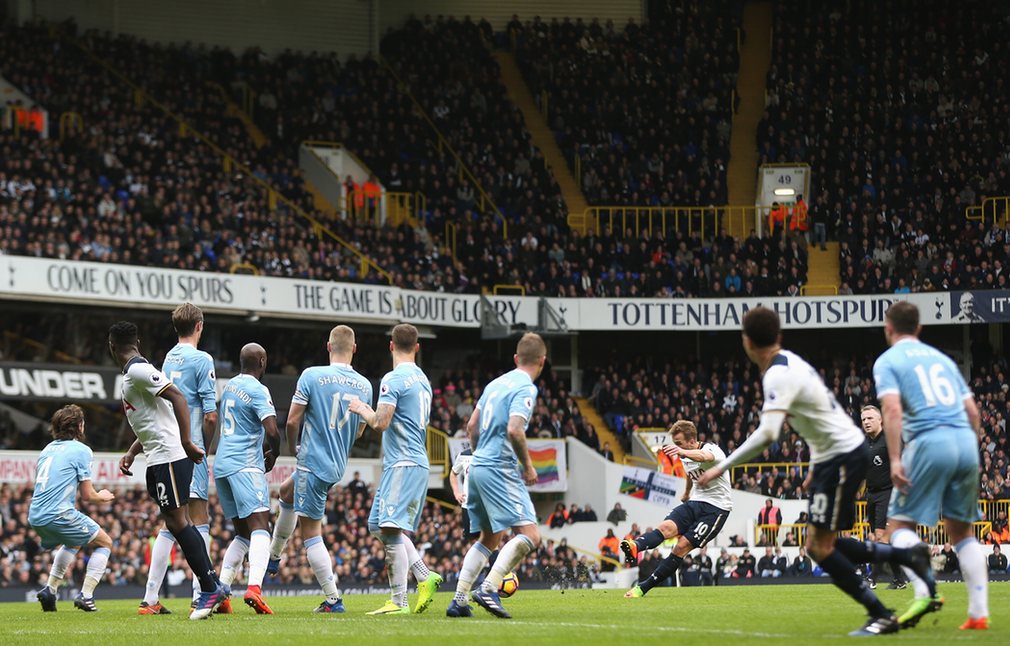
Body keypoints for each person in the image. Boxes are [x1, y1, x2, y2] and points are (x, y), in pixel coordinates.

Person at [697, 307, 932, 637]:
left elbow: (768, 433)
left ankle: (881, 612)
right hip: (839, 455)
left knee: (819, 547)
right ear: (778, 336)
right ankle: (907, 556)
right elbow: (820, 419)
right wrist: (815, 465)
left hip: (842, 457)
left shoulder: (777, 375)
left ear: (746, 342)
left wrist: (720, 467)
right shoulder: (793, 362)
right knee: (823, 543)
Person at [873, 301, 988, 630]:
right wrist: (970, 454)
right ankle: (978, 614)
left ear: (888, 329)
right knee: (962, 532)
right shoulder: (943, 360)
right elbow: (973, 413)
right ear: (919, 328)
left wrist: (896, 458)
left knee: (898, 527)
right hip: (965, 443)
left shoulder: (888, 361)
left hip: (927, 442)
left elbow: (891, 411)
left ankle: (925, 592)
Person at [109, 321, 227, 619]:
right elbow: (155, 417)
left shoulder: (138, 369)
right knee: (178, 522)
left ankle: (209, 587)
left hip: (169, 455)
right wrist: (133, 451)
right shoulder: (135, 372)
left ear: (112, 347)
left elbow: (178, 398)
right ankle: (213, 584)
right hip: (159, 455)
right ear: (137, 341)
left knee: (178, 522)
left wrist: (187, 442)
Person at [265, 325, 372, 613]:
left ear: (328, 346)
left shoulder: (312, 375)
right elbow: (359, 431)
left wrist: (293, 448)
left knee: (311, 534)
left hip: (313, 462)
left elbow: (292, 421)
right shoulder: (365, 385)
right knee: (286, 492)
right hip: (336, 463)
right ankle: (274, 556)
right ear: (354, 349)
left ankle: (333, 600)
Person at [446, 332, 547, 619]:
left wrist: (479, 456)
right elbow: (515, 429)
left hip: (477, 466)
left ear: (516, 358)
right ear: (542, 361)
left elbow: (472, 426)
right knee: (531, 535)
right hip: (499, 467)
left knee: (490, 538)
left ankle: (459, 600)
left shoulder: (495, 384)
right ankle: (489, 588)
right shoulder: (525, 388)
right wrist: (528, 466)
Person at [349, 323, 442, 615]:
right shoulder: (423, 379)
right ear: (417, 347)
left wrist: (361, 408)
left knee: (389, 527)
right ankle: (424, 575)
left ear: (391, 345)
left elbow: (381, 422)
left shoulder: (394, 378)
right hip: (408, 461)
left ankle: (399, 601)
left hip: (404, 461)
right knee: (378, 525)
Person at [144, 303, 219, 613]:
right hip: (191, 445)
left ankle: (150, 598)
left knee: (171, 522)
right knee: (198, 518)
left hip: (167, 443)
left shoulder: (169, 358)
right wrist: (205, 449)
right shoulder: (202, 359)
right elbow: (210, 416)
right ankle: (201, 593)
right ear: (199, 325)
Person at [621, 420, 732, 598]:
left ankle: (642, 588)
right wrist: (687, 492)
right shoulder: (684, 455)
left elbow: (703, 457)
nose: (676, 447)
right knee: (665, 527)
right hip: (695, 502)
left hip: (716, 509)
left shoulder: (712, 449)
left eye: (679, 443)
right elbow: (690, 473)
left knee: (681, 547)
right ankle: (636, 546)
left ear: (692, 440)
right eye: (675, 443)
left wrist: (682, 451)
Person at [214, 343, 281, 615]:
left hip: (222, 465)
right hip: (245, 465)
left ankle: (221, 591)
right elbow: (272, 431)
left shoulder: (229, 386)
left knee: (242, 533)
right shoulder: (258, 389)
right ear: (262, 362)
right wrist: (274, 453)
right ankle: (254, 588)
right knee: (261, 526)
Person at [29, 405, 115, 612]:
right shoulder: (81, 450)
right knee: (105, 542)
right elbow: (88, 495)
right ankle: (86, 596)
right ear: (80, 426)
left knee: (74, 541)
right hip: (58, 514)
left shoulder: (47, 449)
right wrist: (102, 497)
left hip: (35, 515)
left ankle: (50, 590)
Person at [860, 405, 906, 590]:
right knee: (880, 538)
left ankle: (872, 578)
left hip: (888, 493)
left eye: (870, 418)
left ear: (880, 420)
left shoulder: (890, 439)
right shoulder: (865, 443)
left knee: (881, 536)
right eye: (863, 419)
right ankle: (899, 579)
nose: (866, 422)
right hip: (871, 494)